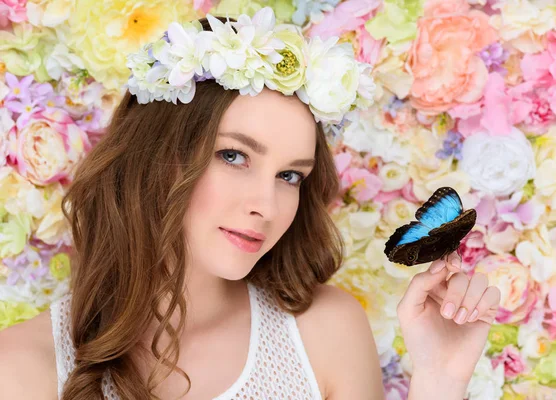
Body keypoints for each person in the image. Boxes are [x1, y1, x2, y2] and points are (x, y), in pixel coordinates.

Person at [0, 7, 501, 400]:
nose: (267, 204)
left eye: (289, 176)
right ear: (154, 157)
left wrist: (439, 379)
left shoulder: (323, 333)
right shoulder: (22, 368)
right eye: (234, 156)